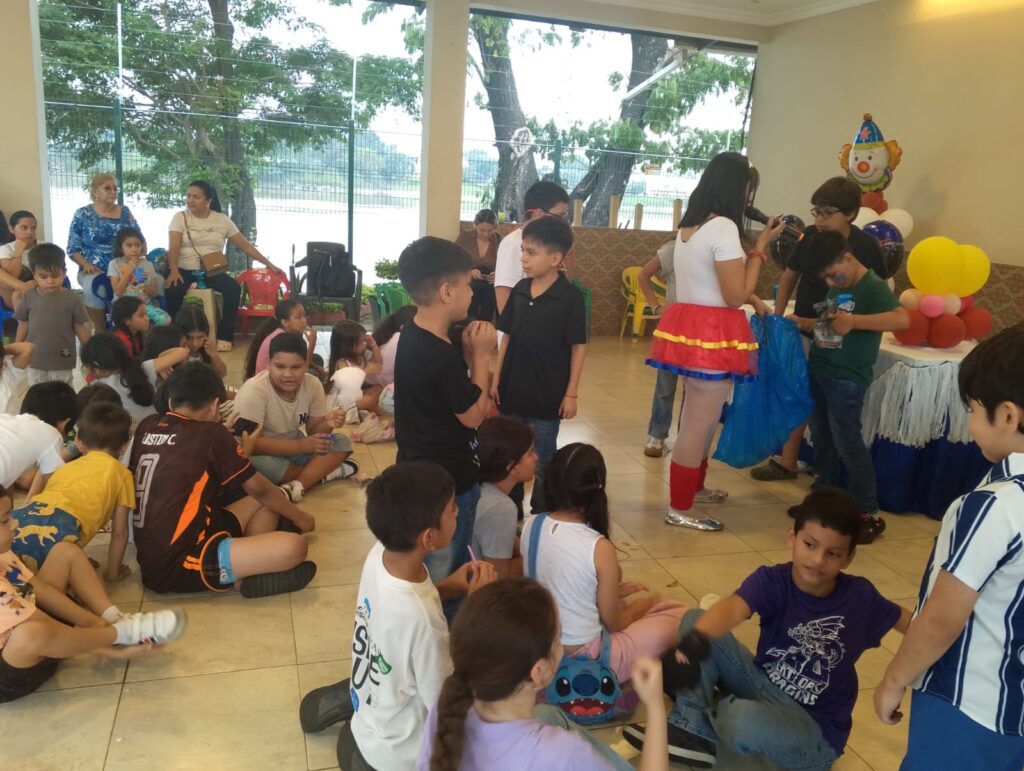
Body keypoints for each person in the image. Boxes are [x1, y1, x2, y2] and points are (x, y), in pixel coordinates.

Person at [626, 486, 910, 769]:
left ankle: (715, 713)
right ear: (792, 537)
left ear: (848, 558)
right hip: (763, 686)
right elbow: (733, 608)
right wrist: (693, 644)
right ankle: (691, 727)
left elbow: (914, 626)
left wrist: (898, 678)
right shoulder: (773, 580)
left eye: (833, 553)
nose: (818, 560)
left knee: (739, 719)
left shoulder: (860, 597)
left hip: (814, 729)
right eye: (810, 545)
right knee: (695, 620)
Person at [875, 326, 1024, 771]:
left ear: (1009, 416)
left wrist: (894, 678)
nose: (970, 422)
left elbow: (942, 618)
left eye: (973, 410)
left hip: (966, 703)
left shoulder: (994, 506)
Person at [327, 462, 498, 771]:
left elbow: (406, 610)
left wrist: (449, 587)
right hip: (399, 757)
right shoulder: (424, 623)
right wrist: (477, 610)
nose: (458, 511)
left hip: (369, 724)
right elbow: (446, 702)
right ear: (429, 538)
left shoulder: (380, 554)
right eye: (452, 508)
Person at [646, 151, 784, 531]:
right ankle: (680, 506)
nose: (750, 197)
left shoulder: (689, 227)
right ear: (739, 187)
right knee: (698, 422)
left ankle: (695, 488)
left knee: (701, 419)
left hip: (692, 328)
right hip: (713, 334)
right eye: (749, 189)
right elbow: (736, 296)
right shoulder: (723, 227)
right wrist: (760, 250)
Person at [417, 577, 671, 771]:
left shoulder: (446, 710)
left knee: (548, 714)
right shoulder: (562, 753)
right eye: (558, 638)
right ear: (537, 672)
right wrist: (655, 706)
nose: (561, 645)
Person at [130, 362, 318, 598]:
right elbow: (259, 489)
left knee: (271, 499)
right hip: (180, 564)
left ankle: (248, 568)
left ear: (171, 401)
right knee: (294, 547)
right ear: (215, 405)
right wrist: (301, 518)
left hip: (160, 550)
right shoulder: (210, 434)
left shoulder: (147, 426)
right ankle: (243, 574)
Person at [752, 177, 887, 483]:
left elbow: (874, 294)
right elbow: (790, 276)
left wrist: (847, 320)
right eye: (816, 212)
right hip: (802, 324)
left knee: (831, 412)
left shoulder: (865, 246)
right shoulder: (810, 236)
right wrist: (777, 318)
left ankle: (830, 477)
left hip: (839, 332)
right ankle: (789, 462)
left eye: (827, 213)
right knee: (799, 391)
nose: (820, 220)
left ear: (850, 213)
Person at [0, 484, 187, 703]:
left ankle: (113, 618)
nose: (15, 523)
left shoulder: (4, 552)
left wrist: (94, 623)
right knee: (31, 635)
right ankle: (123, 632)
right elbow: (41, 624)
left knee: (64, 552)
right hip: (9, 673)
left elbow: (39, 589)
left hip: (31, 625)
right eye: (4, 521)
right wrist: (99, 643)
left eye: (10, 515)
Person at [522, 443, 686, 683]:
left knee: (636, 604)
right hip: (587, 659)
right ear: (599, 489)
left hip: (541, 648)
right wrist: (640, 608)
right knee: (682, 615)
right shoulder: (598, 546)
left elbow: (558, 581)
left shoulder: (531, 525)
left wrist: (615, 593)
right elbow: (615, 622)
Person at [788, 231, 908, 542]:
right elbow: (829, 326)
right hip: (821, 369)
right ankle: (823, 501)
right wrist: (802, 322)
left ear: (849, 258)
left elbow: (901, 320)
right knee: (823, 439)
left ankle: (868, 511)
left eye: (833, 274)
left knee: (848, 443)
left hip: (846, 377)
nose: (831, 282)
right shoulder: (838, 288)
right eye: (826, 279)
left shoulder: (872, 286)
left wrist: (856, 322)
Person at [394, 237, 496, 585]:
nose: (472, 293)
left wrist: (466, 356)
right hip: (448, 483)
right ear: (448, 292)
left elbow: (447, 394)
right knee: (447, 566)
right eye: (468, 285)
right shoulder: (438, 353)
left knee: (427, 559)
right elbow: (474, 416)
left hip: (418, 470)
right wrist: (481, 356)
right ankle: (444, 614)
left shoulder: (414, 332)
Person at [492, 216, 586, 513]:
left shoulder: (571, 298)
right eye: (523, 250)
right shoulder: (520, 290)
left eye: (531, 253)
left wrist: (571, 393)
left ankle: (541, 512)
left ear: (555, 258)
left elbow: (578, 347)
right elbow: (507, 336)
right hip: (511, 389)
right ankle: (511, 509)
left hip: (547, 394)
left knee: (543, 457)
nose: (523, 258)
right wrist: (496, 380)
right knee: (510, 455)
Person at [11, 401, 134, 578]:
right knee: (44, 579)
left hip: (21, 517)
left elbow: (48, 506)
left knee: (15, 569)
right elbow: (120, 532)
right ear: (125, 446)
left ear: (78, 441)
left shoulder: (64, 467)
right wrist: (113, 574)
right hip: (63, 528)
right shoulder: (122, 473)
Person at [232, 332, 357, 503]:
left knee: (341, 441)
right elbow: (249, 446)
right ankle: (319, 474)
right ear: (268, 364)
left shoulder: (313, 385)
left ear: (306, 364)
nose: (288, 374)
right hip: (263, 453)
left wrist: (328, 423)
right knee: (255, 464)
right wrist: (301, 445)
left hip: (294, 447)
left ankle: (295, 486)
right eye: (280, 367)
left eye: (296, 367)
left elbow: (314, 432)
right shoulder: (253, 391)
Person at [164, 180, 281, 351]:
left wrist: (269, 264)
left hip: (211, 271)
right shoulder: (179, 217)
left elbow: (246, 246)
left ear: (208, 200)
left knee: (232, 288)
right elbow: (173, 248)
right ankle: (176, 336)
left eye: (196, 197)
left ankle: (224, 336)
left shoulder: (222, 220)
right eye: (188, 196)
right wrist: (174, 271)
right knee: (173, 290)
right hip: (183, 269)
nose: (190, 200)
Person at [67, 172, 143, 332]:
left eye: (115, 188)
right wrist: (85, 264)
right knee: (92, 289)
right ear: (95, 191)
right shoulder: (83, 214)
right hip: (95, 269)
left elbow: (139, 239)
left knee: (155, 280)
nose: (113, 192)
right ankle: (100, 330)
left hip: (124, 267)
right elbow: (73, 249)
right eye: (107, 188)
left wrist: (138, 259)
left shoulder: (125, 212)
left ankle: (141, 328)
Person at [14, 244, 91, 386]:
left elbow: (80, 327)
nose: (50, 281)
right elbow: (23, 326)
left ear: (64, 272)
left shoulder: (72, 299)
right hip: (35, 359)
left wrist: (91, 351)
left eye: (55, 276)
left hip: (62, 358)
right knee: (38, 392)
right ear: (34, 274)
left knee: (62, 392)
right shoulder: (28, 297)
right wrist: (16, 350)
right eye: (43, 276)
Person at [493, 181, 570, 316]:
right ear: (539, 214)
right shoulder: (512, 243)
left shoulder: (551, 242)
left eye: (565, 217)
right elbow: (504, 295)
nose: (564, 222)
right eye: (560, 216)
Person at [474, 416, 536, 577]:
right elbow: (498, 576)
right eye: (530, 453)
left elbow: (509, 539)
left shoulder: (480, 488)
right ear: (511, 467)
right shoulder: (500, 508)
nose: (536, 457)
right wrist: (539, 557)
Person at [81, 333, 188, 422]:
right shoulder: (143, 367)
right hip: (156, 427)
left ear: (96, 367)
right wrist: (161, 357)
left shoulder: (102, 386)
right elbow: (183, 352)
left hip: (131, 433)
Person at [0, 381, 77, 499]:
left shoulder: (5, 419)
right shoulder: (52, 434)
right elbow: (51, 482)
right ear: (64, 423)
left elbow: (7, 480)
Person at [639, 240, 678, 458]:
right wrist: (655, 306)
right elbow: (644, 275)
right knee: (666, 384)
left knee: (696, 387)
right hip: (675, 324)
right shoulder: (674, 248)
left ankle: (686, 436)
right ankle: (657, 434)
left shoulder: (715, 246)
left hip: (703, 325)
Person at [107, 226, 170, 327]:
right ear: (121, 248)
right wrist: (128, 271)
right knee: (127, 322)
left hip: (144, 305)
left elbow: (154, 293)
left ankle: (151, 336)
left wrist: (143, 283)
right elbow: (118, 292)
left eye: (138, 245)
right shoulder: (114, 264)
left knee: (165, 320)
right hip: (123, 307)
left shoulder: (147, 265)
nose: (134, 249)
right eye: (129, 246)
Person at [243, 299, 313, 380]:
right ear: (285, 322)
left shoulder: (283, 332)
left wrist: (317, 367)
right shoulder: (283, 339)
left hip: (273, 377)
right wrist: (312, 343)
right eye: (298, 317)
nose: (304, 321)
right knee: (311, 375)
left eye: (304, 316)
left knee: (316, 359)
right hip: (269, 383)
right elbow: (304, 369)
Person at [327, 319, 383, 417]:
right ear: (347, 346)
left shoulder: (361, 356)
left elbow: (378, 363)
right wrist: (366, 371)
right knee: (368, 400)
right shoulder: (342, 363)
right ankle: (375, 413)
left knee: (378, 389)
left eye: (364, 340)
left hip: (355, 395)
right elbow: (350, 384)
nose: (365, 344)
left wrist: (373, 344)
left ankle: (365, 411)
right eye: (361, 342)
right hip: (341, 401)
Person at [454, 208, 502, 322]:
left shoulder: (500, 240)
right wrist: (469, 272)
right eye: (482, 230)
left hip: (490, 285)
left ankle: (484, 328)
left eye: (490, 230)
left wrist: (498, 274)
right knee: (468, 312)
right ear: (475, 225)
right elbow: (454, 260)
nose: (486, 234)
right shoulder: (464, 238)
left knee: (487, 310)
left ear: (495, 227)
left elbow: (506, 264)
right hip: (468, 281)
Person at [369, 304, 415, 390]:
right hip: (381, 383)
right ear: (403, 327)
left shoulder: (393, 336)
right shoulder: (399, 338)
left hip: (378, 381)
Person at [175, 305, 227, 378]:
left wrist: (214, 355)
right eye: (190, 337)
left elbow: (221, 374)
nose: (195, 343)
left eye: (200, 337)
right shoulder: (173, 354)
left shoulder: (205, 351)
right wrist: (182, 360)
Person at [0, 210, 38, 311]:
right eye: (24, 228)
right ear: (12, 229)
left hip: (40, 286)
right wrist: (18, 253)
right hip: (15, 292)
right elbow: (13, 276)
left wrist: (35, 283)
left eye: (33, 228)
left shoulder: (43, 247)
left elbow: (52, 272)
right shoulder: (6, 249)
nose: (29, 232)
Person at [0, 338, 33, 414]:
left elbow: (28, 348)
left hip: (11, 421)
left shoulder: (8, 373)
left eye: (0, 366)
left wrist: (2, 350)